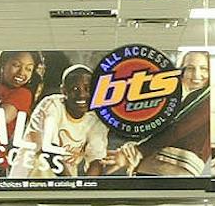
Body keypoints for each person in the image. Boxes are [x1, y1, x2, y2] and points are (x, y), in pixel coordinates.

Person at [11, 65, 141, 179]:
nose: (82, 95)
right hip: (28, 177)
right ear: (64, 91)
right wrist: (71, 184)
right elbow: (49, 150)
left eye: (87, 89)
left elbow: (96, 160)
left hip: (62, 185)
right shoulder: (52, 104)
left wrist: (86, 189)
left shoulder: (95, 118)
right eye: (74, 89)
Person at [0, 50, 42, 174]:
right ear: (3, 64)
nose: (22, 73)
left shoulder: (23, 94)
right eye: (16, 65)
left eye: (28, 69)